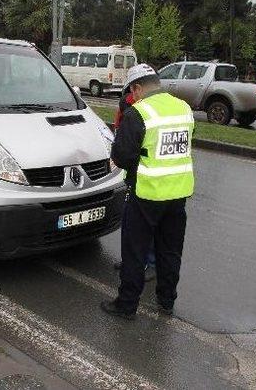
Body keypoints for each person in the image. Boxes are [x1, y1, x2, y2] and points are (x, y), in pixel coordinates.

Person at [101, 64, 195, 319]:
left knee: (135, 251)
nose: (132, 97)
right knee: (170, 251)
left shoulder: (138, 114)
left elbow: (121, 156)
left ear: (138, 88)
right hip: (178, 195)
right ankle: (166, 301)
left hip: (146, 193)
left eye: (132, 92)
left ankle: (127, 305)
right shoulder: (183, 108)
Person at [113, 87, 157, 282]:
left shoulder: (154, 105)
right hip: (133, 174)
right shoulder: (126, 103)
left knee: (149, 225)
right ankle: (130, 259)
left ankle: (152, 263)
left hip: (150, 177)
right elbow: (119, 127)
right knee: (129, 222)